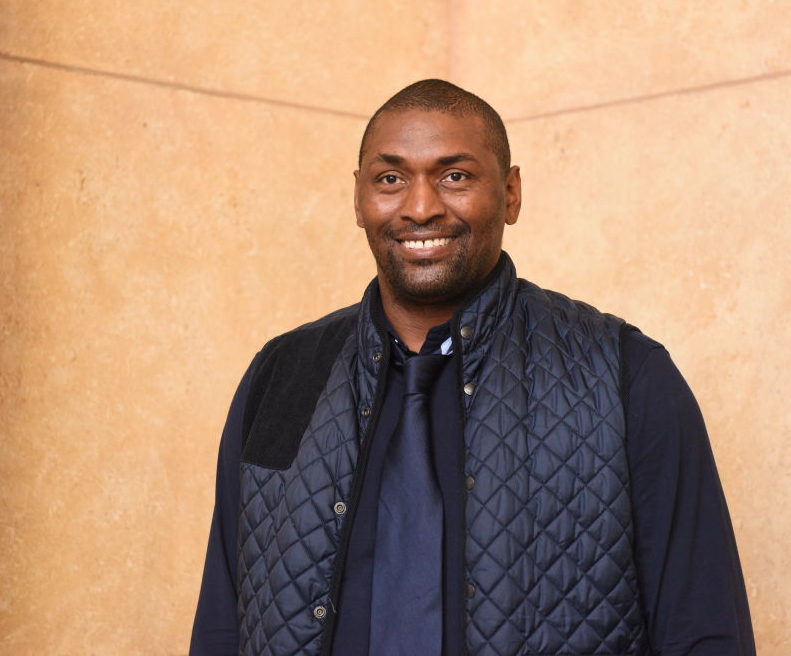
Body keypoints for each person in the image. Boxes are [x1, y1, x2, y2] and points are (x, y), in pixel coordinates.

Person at [190, 79, 755, 655]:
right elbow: (222, 621)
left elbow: (704, 628)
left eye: (455, 176)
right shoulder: (280, 377)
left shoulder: (625, 376)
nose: (420, 207)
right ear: (358, 199)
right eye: (390, 179)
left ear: (510, 193)